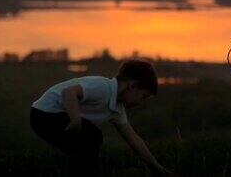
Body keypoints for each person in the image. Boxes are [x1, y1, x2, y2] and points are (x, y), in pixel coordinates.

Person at [30, 59, 171, 176]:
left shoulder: (117, 110)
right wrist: (75, 119)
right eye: (143, 96)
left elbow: (133, 138)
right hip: (44, 114)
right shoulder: (103, 87)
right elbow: (69, 93)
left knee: (85, 147)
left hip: (51, 117)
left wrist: (156, 168)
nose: (141, 102)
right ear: (132, 86)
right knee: (92, 136)